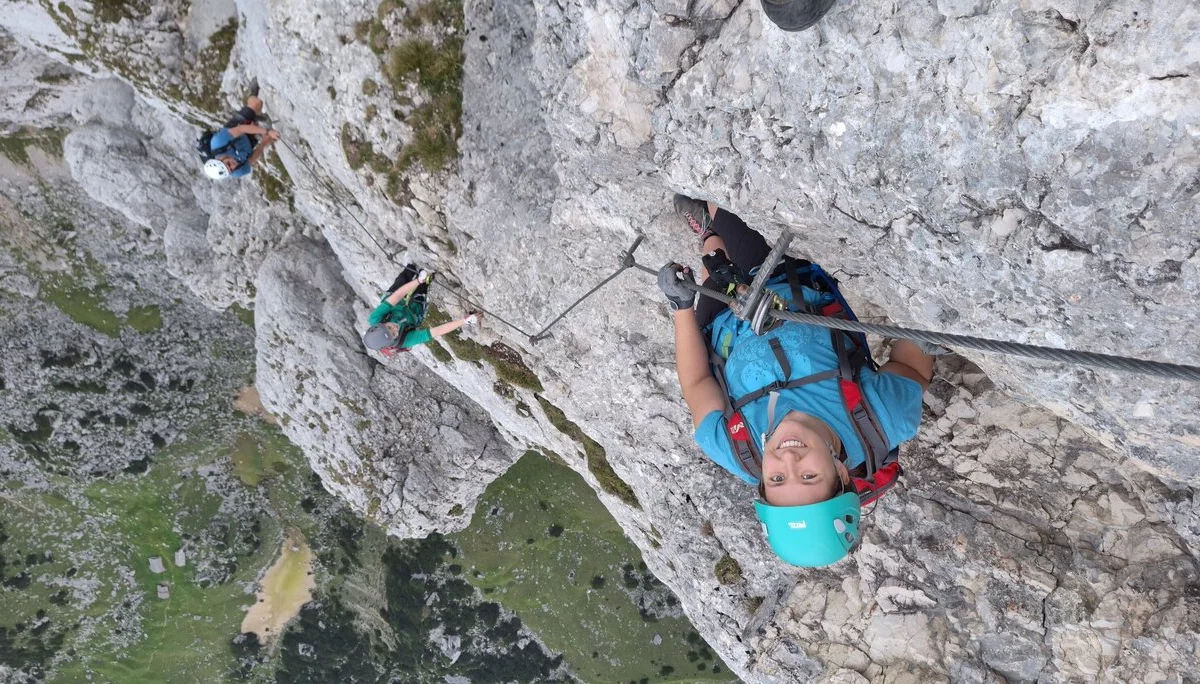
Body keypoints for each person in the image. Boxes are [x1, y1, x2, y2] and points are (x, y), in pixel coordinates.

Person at [657, 195, 934, 567]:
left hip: (723, 323)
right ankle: (714, 223)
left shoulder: (738, 450)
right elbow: (912, 364)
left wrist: (680, 307)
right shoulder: (881, 418)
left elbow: (696, 382)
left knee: (716, 264)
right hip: (786, 280)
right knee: (728, 208)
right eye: (807, 475)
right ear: (840, 472)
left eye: (776, 480)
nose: (787, 459)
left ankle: (708, 234)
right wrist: (926, 336)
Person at [363, 264, 481, 354]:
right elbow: (435, 332)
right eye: (394, 334)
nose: (395, 328)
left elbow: (398, 295)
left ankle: (412, 267)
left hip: (397, 303)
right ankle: (426, 280)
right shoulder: (403, 341)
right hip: (412, 316)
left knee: (402, 281)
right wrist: (464, 321)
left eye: (389, 327)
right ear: (394, 340)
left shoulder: (375, 319)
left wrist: (417, 280)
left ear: (380, 324)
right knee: (421, 294)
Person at [201, 89, 280, 181]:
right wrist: (264, 143)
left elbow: (242, 128)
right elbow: (251, 159)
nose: (233, 166)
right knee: (267, 135)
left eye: (228, 164)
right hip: (248, 144)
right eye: (231, 170)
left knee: (257, 103)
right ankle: (255, 121)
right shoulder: (237, 171)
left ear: (220, 159)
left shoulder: (218, 142)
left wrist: (267, 131)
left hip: (237, 129)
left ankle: (251, 94)